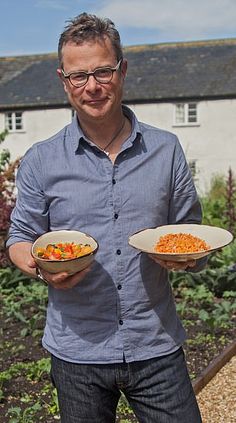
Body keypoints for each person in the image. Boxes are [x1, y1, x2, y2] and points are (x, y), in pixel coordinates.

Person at [7, 12, 204, 423]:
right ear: (64, 80)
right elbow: (21, 237)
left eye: (103, 71)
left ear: (123, 70)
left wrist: (187, 258)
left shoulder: (165, 150)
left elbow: (193, 237)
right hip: (77, 350)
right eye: (79, 76)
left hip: (156, 345)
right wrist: (42, 268)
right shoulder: (43, 159)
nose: (92, 86)